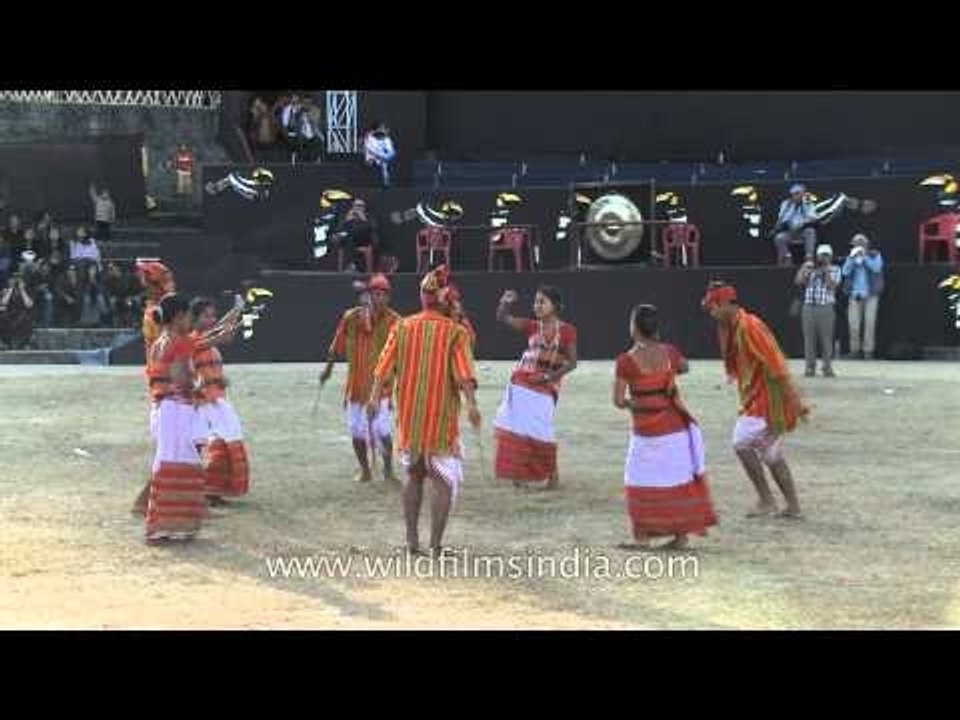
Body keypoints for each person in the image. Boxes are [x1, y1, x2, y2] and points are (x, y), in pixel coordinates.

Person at [367, 265, 480, 556]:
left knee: (414, 474)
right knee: (443, 479)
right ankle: (436, 545)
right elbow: (463, 375)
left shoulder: (402, 326)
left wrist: (373, 398)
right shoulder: (455, 332)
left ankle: (411, 542)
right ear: (445, 300)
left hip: (410, 415)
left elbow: (382, 366)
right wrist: (472, 405)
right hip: (440, 418)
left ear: (422, 297)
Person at [612, 304, 717, 549]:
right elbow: (685, 366)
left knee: (638, 480)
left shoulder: (626, 361)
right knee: (676, 481)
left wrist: (635, 404)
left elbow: (617, 400)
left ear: (634, 328)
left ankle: (642, 538)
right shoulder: (669, 352)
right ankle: (680, 537)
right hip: (675, 429)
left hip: (647, 433)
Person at [702, 281, 807, 519]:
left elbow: (776, 363)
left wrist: (794, 398)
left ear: (725, 304)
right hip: (758, 397)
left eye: (714, 307)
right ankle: (793, 507)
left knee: (741, 441)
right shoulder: (734, 327)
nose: (712, 313)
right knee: (771, 454)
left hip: (766, 400)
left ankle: (766, 500)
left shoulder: (750, 326)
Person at [493, 285, 578, 490]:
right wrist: (505, 302)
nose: (537, 305)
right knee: (519, 430)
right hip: (522, 384)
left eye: (542, 302)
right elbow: (502, 317)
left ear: (554, 306)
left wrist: (549, 377)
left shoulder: (567, 331)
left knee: (542, 431)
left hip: (547, 388)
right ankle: (519, 475)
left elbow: (572, 363)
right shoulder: (532, 326)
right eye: (535, 302)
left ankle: (553, 476)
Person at [320, 274, 402, 484]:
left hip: (382, 387)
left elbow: (402, 356)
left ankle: (388, 469)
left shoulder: (396, 321)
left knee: (382, 429)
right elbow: (336, 345)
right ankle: (365, 470)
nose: (379, 298)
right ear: (369, 295)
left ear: (389, 297)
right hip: (356, 386)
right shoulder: (351, 317)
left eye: (383, 295)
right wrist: (328, 369)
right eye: (376, 294)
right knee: (356, 431)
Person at [143, 293, 208, 543]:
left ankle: (163, 524)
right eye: (189, 316)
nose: (191, 321)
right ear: (180, 316)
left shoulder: (158, 342)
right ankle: (175, 524)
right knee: (185, 462)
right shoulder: (180, 342)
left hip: (162, 409)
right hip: (177, 409)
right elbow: (182, 378)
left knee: (165, 462)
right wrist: (199, 384)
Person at [189, 296, 248, 503]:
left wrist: (237, 311)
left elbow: (220, 332)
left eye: (213, 316)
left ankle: (213, 490)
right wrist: (236, 313)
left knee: (226, 443)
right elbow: (220, 334)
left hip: (218, 400)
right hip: (204, 403)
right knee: (221, 443)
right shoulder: (192, 341)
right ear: (193, 319)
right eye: (206, 316)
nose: (212, 320)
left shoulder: (208, 343)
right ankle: (208, 490)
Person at [795, 244, 841, 378]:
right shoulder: (810, 267)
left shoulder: (835, 269)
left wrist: (825, 273)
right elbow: (798, 282)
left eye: (826, 255)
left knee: (826, 338)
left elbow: (832, 286)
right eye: (821, 255)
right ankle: (810, 367)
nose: (823, 258)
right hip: (809, 307)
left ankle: (827, 367)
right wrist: (804, 270)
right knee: (809, 338)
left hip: (825, 307)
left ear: (830, 257)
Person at [842, 233, 884, 360]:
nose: (858, 246)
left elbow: (877, 268)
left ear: (866, 245)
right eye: (856, 244)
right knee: (854, 325)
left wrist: (864, 257)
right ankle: (855, 350)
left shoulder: (875, 255)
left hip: (871, 295)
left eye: (861, 243)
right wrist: (852, 259)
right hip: (855, 295)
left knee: (869, 324)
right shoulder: (851, 256)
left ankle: (868, 351)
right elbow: (845, 271)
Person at [773, 184, 818, 265]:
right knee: (779, 238)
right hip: (789, 231)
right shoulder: (786, 204)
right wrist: (788, 222)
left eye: (799, 194)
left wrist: (803, 222)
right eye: (795, 194)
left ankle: (809, 257)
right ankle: (787, 256)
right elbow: (782, 219)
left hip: (803, 231)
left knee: (810, 231)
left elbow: (813, 218)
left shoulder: (808, 203)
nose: (797, 196)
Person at [337, 199, 380, 273]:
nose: (358, 208)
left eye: (360, 206)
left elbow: (372, 229)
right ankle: (344, 270)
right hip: (350, 242)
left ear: (364, 208)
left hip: (364, 242)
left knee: (369, 247)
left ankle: (368, 272)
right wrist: (347, 220)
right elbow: (340, 229)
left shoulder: (369, 217)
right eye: (356, 206)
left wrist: (363, 219)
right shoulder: (347, 216)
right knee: (343, 243)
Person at [0, 273, 35, 349]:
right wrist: (10, 289)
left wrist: (22, 290)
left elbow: (29, 304)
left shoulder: (28, 290)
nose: (16, 281)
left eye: (19, 279)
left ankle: (26, 343)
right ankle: (5, 342)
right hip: (10, 314)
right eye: (13, 279)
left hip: (22, 313)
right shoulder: (6, 290)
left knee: (27, 319)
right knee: (2, 318)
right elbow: (3, 302)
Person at [363, 122, 396, 188]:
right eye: (381, 128)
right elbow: (370, 150)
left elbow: (391, 152)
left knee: (385, 164)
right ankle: (384, 182)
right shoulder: (370, 138)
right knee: (380, 163)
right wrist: (379, 157)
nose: (383, 130)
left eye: (383, 129)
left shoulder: (387, 139)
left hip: (383, 158)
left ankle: (386, 183)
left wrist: (385, 157)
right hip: (372, 157)